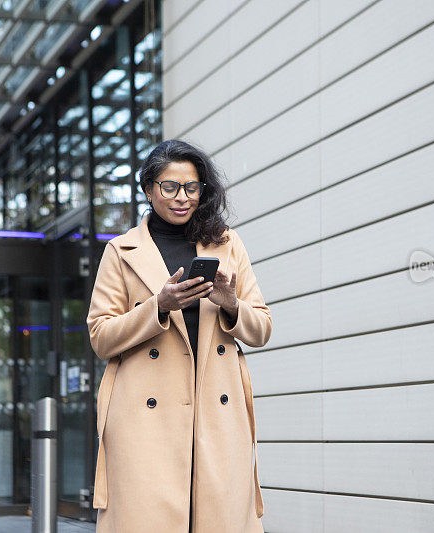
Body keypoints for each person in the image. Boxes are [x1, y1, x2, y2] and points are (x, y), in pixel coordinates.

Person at [86, 139, 273, 533]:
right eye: (170, 187)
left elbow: (262, 329)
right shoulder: (121, 252)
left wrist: (230, 303)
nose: (181, 198)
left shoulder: (226, 243)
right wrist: (158, 307)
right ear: (149, 189)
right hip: (145, 424)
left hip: (217, 418)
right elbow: (101, 336)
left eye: (192, 187)